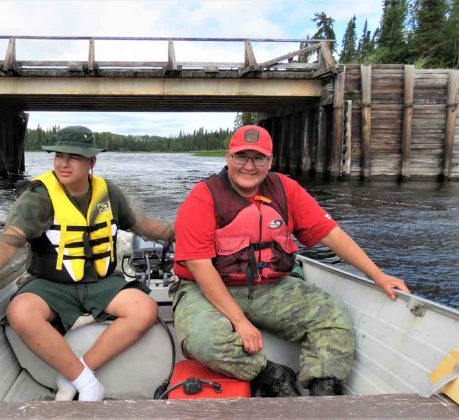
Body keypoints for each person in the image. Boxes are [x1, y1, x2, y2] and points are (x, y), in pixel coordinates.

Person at [0, 126, 174, 402]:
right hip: (52, 284)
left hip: (101, 283)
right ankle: (87, 384)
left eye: (73, 156)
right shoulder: (39, 197)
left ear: (91, 162)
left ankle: (76, 374)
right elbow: (9, 241)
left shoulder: (108, 193)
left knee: (144, 308)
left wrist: (179, 234)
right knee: (20, 312)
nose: (63, 163)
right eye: (59, 155)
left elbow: (143, 225)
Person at [171, 125, 410, 397]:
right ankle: (271, 374)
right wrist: (239, 321)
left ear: (270, 161)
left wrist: (377, 275)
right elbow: (200, 266)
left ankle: (324, 388)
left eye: (258, 158)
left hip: (272, 288)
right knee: (204, 341)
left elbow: (331, 234)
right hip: (208, 289)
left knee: (333, 316)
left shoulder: (287, 190)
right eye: (241, 157)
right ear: (228, 157)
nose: (249, 166)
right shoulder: (203, 197)